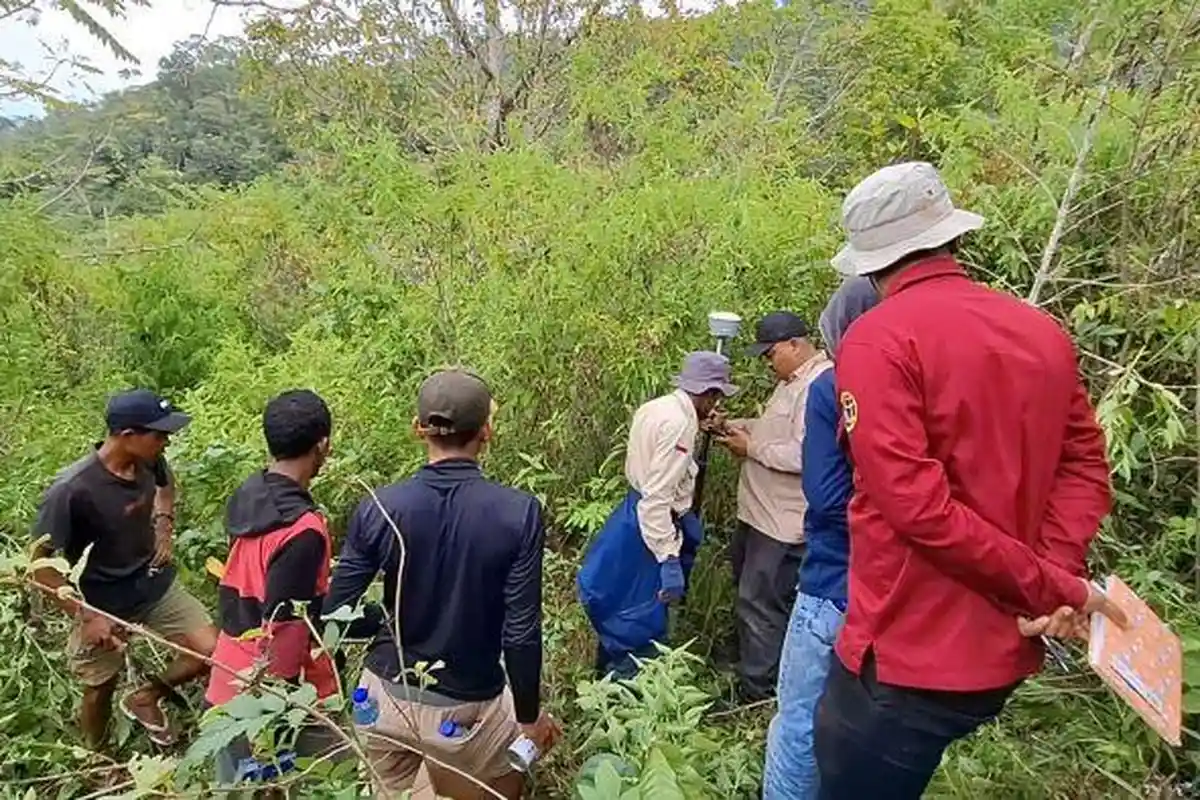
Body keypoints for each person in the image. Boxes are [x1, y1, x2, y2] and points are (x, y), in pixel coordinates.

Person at [811, 161, 1128, 798]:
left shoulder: (877, 341)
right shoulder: (1040, 331)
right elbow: (1084, 467)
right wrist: (1051, 576)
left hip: (908, 653)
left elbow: (918, 510)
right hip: (999, 653)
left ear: (869, 266)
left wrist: (1052, 587)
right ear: (951, 235)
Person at [325, 369, 560, 800]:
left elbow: (335, 614)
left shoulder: (380, 505)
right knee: (504, 781)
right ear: (486, 431)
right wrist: (528, 719)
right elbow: (521, 631)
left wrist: (386, 620)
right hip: (466, 705)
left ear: (419, 428)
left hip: (380, 699)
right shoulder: (517, 513)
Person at [30, 389, 215, 748]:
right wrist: (86, 616)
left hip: (152, 583)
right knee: (99, 687)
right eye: (159, 434)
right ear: (128, 435)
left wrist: (164, 524)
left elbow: (165, 484)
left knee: (210, 651)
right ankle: (96, 755)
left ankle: (145, 697)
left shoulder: (149, 459)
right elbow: (40, 565)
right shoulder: (72, 490)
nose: (166, 442)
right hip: (100, 600)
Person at [761, 278, 878, 799]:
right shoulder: (920, 379)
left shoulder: (831, 386)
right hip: (893, 586)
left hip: (834, 579)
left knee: (800, 721)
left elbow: (825, 494)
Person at [204, 389, 344, 787]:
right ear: (323, 445)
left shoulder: (249, 496)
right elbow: (284, 626)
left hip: (228, 678)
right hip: (273, 697)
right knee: (331, 780)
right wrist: (276, 710)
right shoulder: (302, 530)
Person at [578, 351, 737, 679]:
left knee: (620, 599)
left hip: (633, 511)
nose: (716, 405)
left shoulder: (657, 408)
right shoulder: (680, 425)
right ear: (709, 394)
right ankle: (631, 688)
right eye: (716, 397)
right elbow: (657, 498)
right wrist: (668, 557)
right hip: (653, 523)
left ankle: (605, 678)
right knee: (641, 612)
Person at [716, 311, 830, 701]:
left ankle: (759, 692)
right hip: (759, 515)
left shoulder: (817, 386)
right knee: (749, 597)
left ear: (795, 344)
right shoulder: (790, 383)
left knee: (761, 605)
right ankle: (749, 670)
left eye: (771, 353)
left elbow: (804, 454)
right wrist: (738, 426)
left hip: (782, 523)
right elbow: (776, 432)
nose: (767, 362)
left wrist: (751, 448)